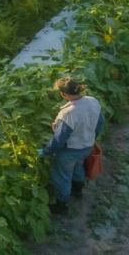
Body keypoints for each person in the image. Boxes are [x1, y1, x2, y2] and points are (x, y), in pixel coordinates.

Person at [40, 77, 105, 215]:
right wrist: (91, 138)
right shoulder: (92, 101)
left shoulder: (68, 113)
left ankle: (61, 206)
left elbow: (59, 140)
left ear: (63, 94)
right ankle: (78, 191)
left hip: (70, 151)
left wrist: (46, 151)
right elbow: (100, 122)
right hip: (87, 147)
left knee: (62, 177)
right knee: (78, 168)